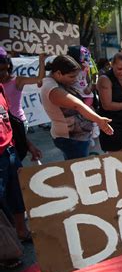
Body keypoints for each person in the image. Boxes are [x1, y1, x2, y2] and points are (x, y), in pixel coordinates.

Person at [40, 55, 113, 159]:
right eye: (71, 76)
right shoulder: (52, 88)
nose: (75, 80)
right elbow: (77, 105)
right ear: (58, 73)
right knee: (79, 169)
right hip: (71, 140)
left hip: (76, 138)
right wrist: (99, 120)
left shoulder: (55, 81)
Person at [0, 85, 42, 260]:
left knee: (17, 194)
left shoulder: (1, 88)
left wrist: (28, 144)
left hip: (10, 151)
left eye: (6, 70)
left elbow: (10, 121)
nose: (5, 74)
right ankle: (7, 247)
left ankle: (21, 232)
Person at [0, 47, 46, 131]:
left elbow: (39, 79)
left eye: (3, 69)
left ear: (8, 65)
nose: (1, 74)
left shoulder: (17, 81)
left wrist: (41, 61)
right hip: (2, 127)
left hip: (18, 123)